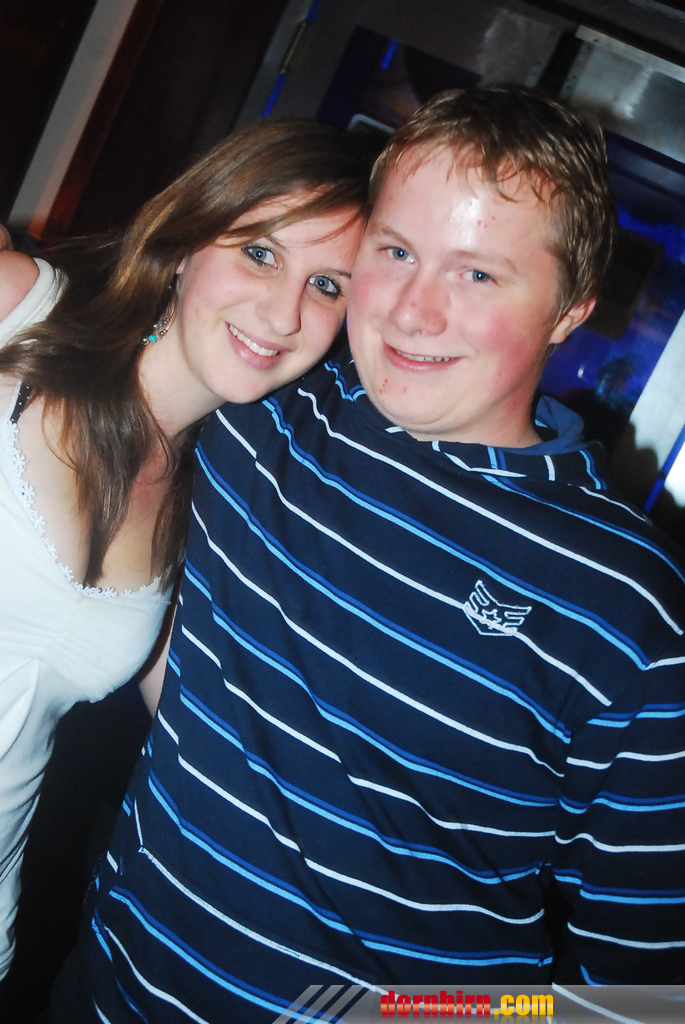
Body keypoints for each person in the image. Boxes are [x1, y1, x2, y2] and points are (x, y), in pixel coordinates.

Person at [49, 87, 684, 1022]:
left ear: (569, 310)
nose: (414, 312)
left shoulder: (629, 611)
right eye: (394, 253)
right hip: (99, 993)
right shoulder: (264, 402)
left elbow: (645, 996)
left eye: (477, 274)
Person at [0, 117, 366, 983]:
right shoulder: (23, 312)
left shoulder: (215, 501)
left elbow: (220, 734)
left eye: (326, 285)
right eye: (260, 253)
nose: (283, 313)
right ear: (182, 244)